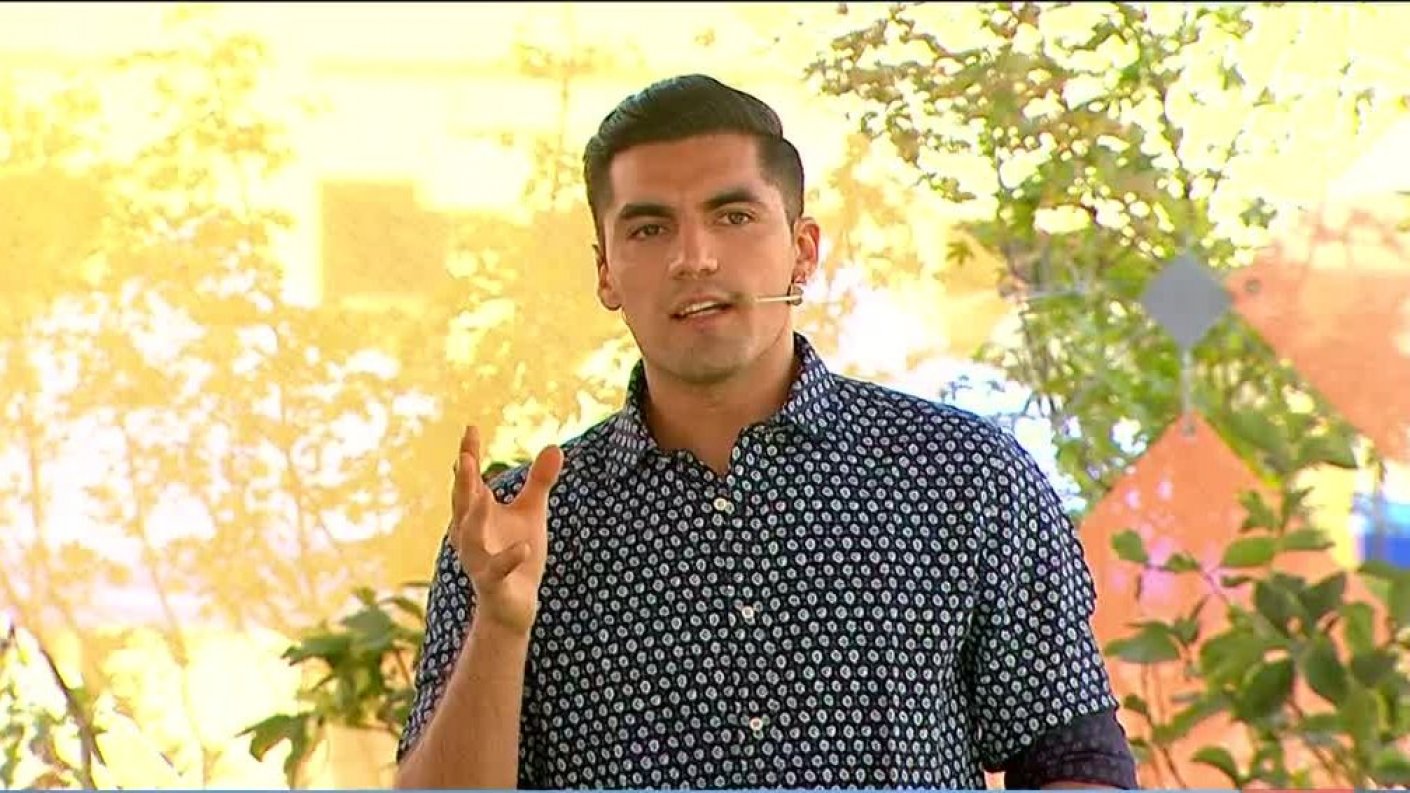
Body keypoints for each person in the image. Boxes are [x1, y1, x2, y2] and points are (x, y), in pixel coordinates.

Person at [392, 73, 1138, 790]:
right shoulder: (515, 532)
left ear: (803, 250)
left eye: (734, 217)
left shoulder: (964, 476)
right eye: (649, 228)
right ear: (607, 274)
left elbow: (1076, 761)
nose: (694, 258)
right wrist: (501, 622)